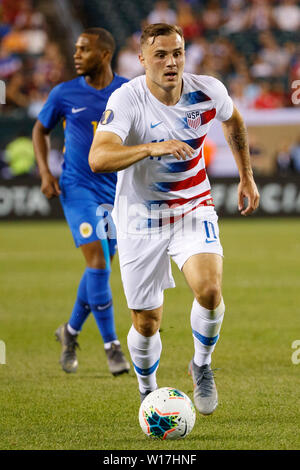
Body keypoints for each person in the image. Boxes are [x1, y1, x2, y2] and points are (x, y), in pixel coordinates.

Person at [89, 23, 260, 415]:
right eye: (161, 54)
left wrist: (246, 176)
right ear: (142, 59)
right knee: (147, 323)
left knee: (210, 290)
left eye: (178, 53)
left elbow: (233, 121)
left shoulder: (208, 90)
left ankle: (201, 364)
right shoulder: (127, 99)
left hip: (192, 207)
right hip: (139, 218)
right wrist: (151, 148)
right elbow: (98, 159)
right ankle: (147, 390)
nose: (171, 62)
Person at [32, 28, 130, 376]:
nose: (76, 55)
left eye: (84, 49)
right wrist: (46, 172)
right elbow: (40, 129)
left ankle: (69, 332)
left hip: (114, 194)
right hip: (77, 190)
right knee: (99, 263)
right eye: (75, 48)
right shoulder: (64, 93)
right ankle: (112, 346)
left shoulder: (127, 91)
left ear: (104, 54)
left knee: (99, 268)